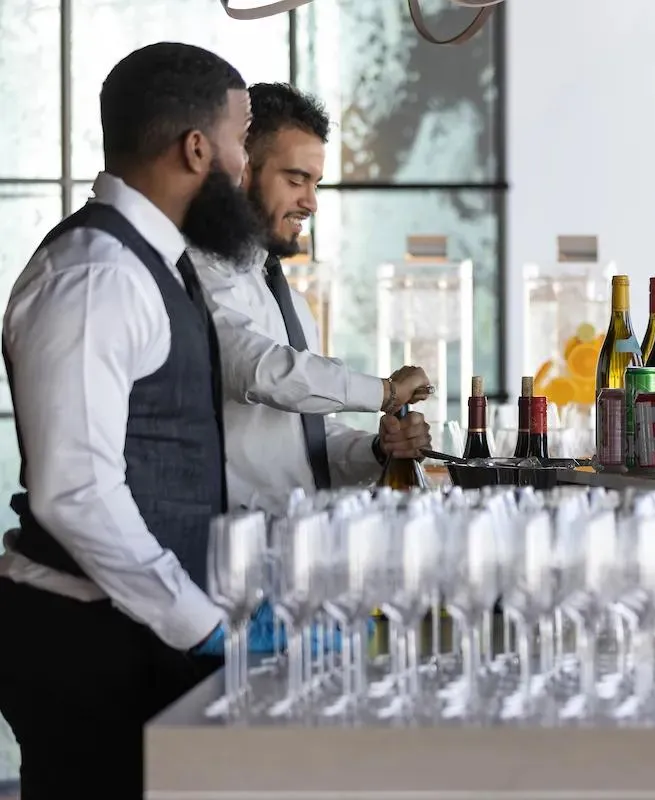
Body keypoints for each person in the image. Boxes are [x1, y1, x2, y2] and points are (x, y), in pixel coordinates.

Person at [0, 42, 263, 798]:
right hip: (85, 643)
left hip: (131, 631)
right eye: (241, 139)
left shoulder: (154, 263)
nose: (243, 165)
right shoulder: (95, 274)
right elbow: (74, 489)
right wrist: (200, 625)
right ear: (195, 148)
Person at [189, 82, 432, 513]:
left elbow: (308, 440)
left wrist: (378, 448)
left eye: (316, 183)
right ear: (240, 170)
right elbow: (259, 370)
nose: (311, 203)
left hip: (297, 546)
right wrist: (387, 392)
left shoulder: (291, 303)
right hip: (224, 550)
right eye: (296, 179)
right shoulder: (195, 275)